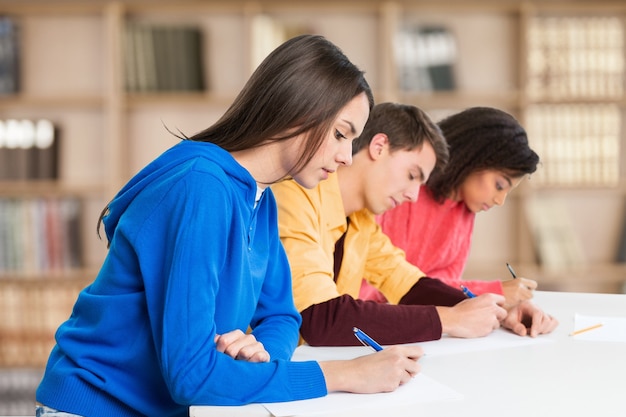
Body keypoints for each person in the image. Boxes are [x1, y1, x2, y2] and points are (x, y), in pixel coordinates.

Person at [35, 35, 425, 417]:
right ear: (298, 110)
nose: (345, 156)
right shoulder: (201, 189)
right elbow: (191, 376)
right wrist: (343, 374)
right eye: (341, 134)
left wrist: (260, 354)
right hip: (96, 407)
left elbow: (283, 316)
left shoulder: (262, 199)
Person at [272, 102, 558, 348]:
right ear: (379, 146)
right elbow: (319, 319)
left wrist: (495, 311)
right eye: (411, 175)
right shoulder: (295, 195)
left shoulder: (361, 223)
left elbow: (410, 285)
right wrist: (450, 319)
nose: (413, 195)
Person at [375, 107, 539, 307]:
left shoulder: (463, 211)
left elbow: (442, 290)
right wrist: (494, 292)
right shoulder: (402, 193)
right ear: (473, 159)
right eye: (499, 186)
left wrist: (504, 306)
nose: (500, 200)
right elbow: (389, 288)